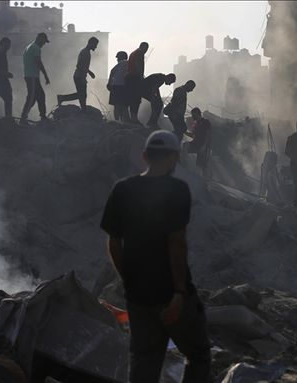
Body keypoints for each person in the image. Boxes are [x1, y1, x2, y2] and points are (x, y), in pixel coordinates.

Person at [100, 130, 211, 383]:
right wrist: (180, 292)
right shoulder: (177, 190)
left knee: (144, 361)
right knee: (198, 354)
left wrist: (128, 282)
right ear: (173, 158)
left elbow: (114, 244)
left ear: (144, 156)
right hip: (170, 294)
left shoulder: (122, 189)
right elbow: (176, 242)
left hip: (138, 296)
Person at [58, 37, 99, 113]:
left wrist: (89, 72)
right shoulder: (85, 52)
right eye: (95, 45)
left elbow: (83, 66)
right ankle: (83, 110)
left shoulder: (86, 52)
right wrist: (82, 78)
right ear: (91, 43)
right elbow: (79, 65)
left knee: (82, 95)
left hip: (80, 76)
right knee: (82, 95)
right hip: (78, 76)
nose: (96, 47)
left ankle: (63, 98)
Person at [20, 33, 51, 125]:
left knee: (41, 96)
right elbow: (38, 61)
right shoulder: (36, 48)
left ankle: (43, 117)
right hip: (32, 76)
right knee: (31, 98)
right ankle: (23, 118)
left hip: (30, 76)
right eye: (44, 41)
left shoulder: (28, 47)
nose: (44, 44)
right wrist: (45, 74)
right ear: (40, 39)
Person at [181, 107, 212, 178]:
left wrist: (204, 147)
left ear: (197, 113)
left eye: (193, 114)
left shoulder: (205, 121)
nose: (192, 116)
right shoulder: (195, 124)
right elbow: (193, 135)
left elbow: (208, 135)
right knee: (185, 145)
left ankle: (206, 177)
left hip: (203, 146)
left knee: (202, 166)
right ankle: (184, 163)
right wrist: (185, 132)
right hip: (195, 144)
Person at [125, 42, 149, 125]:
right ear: (145, 48)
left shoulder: (133, 53)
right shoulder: (139, 52)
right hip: (134, 77)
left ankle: (131, 117)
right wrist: (141, 76)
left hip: (129, 77)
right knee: (136, 98)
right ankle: (134, 118)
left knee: (131, 97)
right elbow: (137, 63)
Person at [108, 51, 129, 122]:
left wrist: (109, 83)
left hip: (116, 86)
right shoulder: (128, 64)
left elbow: (112, 71)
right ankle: (125, 121)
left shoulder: (122, 63)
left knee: (116, 105)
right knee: (124, 106)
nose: (117, 60)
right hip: (124, 86)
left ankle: (116, 121)